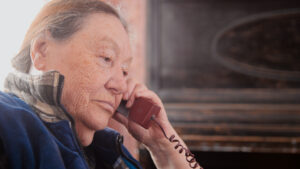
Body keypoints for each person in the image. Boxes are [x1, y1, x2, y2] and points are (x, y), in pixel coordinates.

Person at [0, 0, 202, 169]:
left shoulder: (111, 151)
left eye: (124, 71)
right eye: (106, 57)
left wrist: (162, 143)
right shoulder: (6, 123)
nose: (121, 86)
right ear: (41, 51)